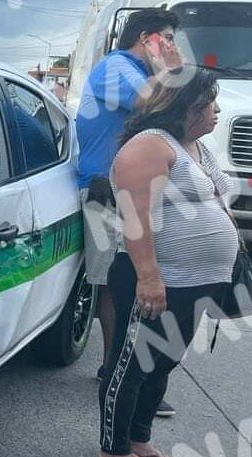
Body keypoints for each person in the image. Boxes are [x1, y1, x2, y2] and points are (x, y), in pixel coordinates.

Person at [97, 68, 237, 457]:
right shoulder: (148, 148)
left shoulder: (192, 145)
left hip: (195, 280)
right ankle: (114, 449)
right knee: (132, 365)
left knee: (163, 362)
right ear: (181, 106)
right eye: (208, 103)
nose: (216, 110)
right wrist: (149, 278)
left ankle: (139, 438)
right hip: (158, 279)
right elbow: (136, 221)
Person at [76, 9, 182, 421]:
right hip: (107, 191)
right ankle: (116, 373)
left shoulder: (137, 71)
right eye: (168, 38)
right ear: (147, 38)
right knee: (116, 283)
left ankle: (125, 373)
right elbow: (155, 108)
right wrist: (170, 71)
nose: (174, 48)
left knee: (130, 279)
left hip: (128, 191)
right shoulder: (117, 68)